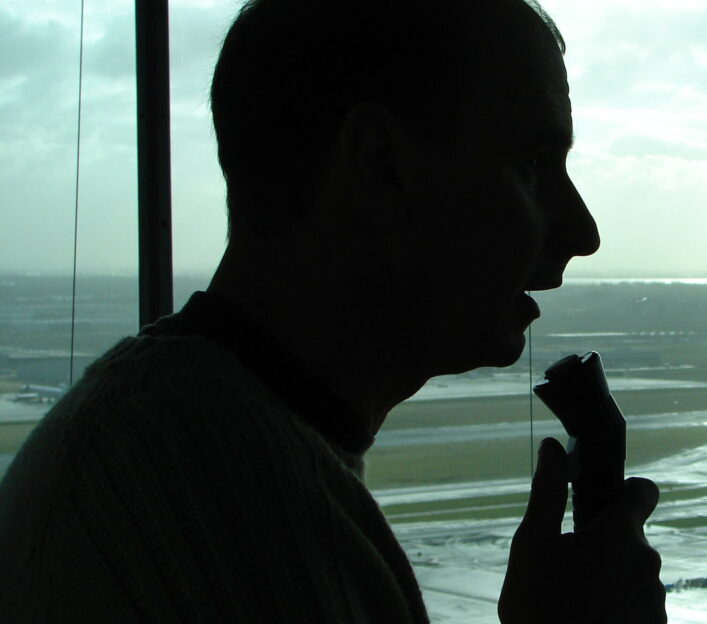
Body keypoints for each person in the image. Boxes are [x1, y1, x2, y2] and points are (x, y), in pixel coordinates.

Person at [0, 1, 666, 622]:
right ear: (378, 163)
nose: (582, 230)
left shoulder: (186, 454)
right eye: (532, 162)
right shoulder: (227, 516)